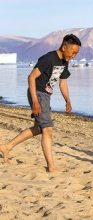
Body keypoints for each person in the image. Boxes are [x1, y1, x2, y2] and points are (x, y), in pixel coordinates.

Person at [0, 34, 81, 172]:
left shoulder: (64, 62)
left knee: (39, 128)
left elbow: (63, 83)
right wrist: (35, 101)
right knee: (47, 130)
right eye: (73, 52)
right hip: (38, 93)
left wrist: (68, 100)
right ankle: (51, 167)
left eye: (76, 53)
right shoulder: (49, 58)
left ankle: (6, 147)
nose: (74, 55)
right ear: (64, 47)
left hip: (45, 96)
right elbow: (31, 77)